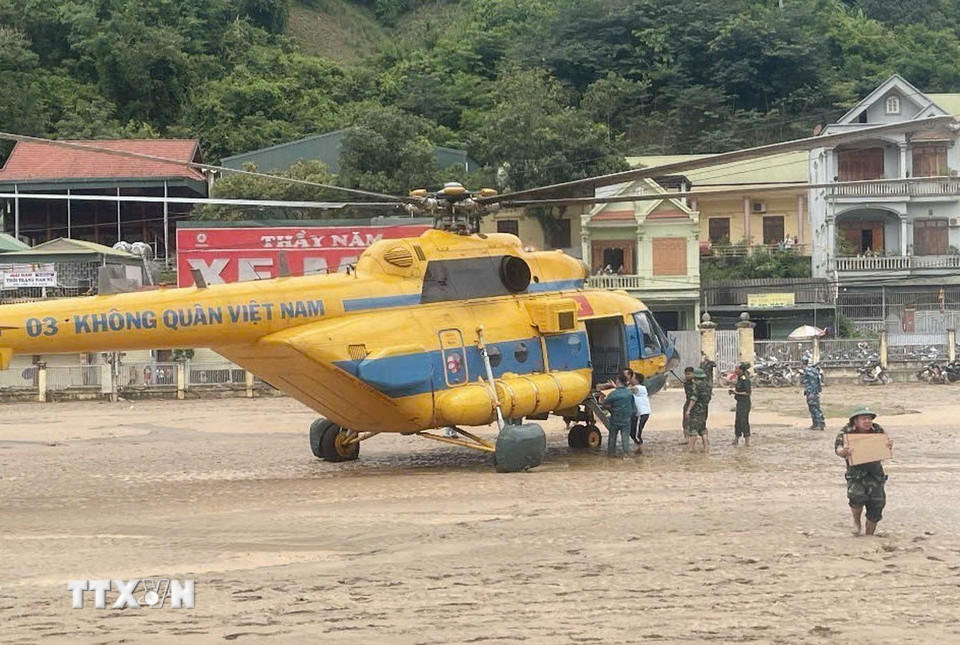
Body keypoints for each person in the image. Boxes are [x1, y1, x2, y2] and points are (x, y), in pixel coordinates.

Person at [834, 405, 893, 536]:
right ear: (855, 420)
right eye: (864, 419)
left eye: (869, 419)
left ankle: (869, 535)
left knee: (878, 504)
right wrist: (844, 451)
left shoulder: (877, 429)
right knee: (856, 497)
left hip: (875, 473)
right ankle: (857, 523)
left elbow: (884, 446)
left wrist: (888, 446)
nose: (867, 421)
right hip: (855, 472)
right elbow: (837, 450)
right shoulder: (846, 431)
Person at [601, 373, 634, 458]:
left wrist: (610, 409)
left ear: (618, 381)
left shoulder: (613, 394)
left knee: (612, 437)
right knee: (625, 437)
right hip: (626, 418)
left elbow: (604, 403)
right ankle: (625, 454)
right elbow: (633, 406)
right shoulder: (629, 393)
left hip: (615, 417)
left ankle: (611, 455)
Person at [685, 368, 711, 452]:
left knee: (694, 429)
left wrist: (688, 409)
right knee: (703, 429)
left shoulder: (696, 384)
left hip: (696, 410)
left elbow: (694, 398)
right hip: (704, 409)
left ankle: (691, 448)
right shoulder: (708, 385)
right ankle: (706, 447)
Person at [729, 361, 751, 446]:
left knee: (743, 421)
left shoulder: (745, 379)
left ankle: (747, 440)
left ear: (741, 370)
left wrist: (736, 393)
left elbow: (748, 393)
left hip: (745, 403)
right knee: (737, 421)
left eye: (737, 369)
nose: (735, 370)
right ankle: (736, 439)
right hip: (739, 403)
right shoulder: (739, 378)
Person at [801, 357, 825, 431]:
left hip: (812, 393)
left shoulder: (809, 371)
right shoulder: (808, 370)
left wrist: (812, 393)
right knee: (812, 408)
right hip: (810, 392)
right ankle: (815, 424)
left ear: (802, 363)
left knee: (815, 408)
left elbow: (813, 383)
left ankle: (819, 424)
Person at [631, 373, 651, 454]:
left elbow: (629, 390)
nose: (631, 379)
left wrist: (615, 386)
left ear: (636, 380)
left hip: (641, 413)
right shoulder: (637, 388)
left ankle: (643, 452)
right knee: (633, 432)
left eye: (632, 377)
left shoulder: (641, 388)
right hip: (640, 414)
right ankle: (640, 449)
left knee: (636, 434)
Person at [680, 366, 695, 444]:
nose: (687, 376)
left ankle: (693, 438)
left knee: (696, 422)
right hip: (688, 402)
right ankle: (686, 439)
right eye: (686, 374)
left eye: (689, 374)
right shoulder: (686, 383)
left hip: (696, 404)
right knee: (685, 421)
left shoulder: (696, 383)